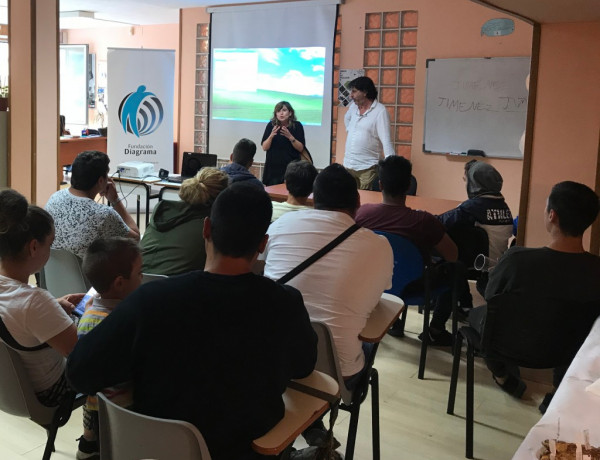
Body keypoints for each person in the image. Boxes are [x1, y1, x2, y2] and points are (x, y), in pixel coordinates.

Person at [66, 182, 317, 460]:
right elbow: (304, 367)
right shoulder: (286, 303)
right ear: (262, 244)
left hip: (157, 450)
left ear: (206, 229)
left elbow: (80, 373)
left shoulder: (150, 301)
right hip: (249, 449)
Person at [261, 163, 393, 387]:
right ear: (358, 202)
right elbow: (377, 297)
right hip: (337, 372)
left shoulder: (279, 226)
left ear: (314, 198)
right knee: (367, 343)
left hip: (274, 356)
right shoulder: (379, 246)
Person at [474, 181, 600, 408]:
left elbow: (492, 295)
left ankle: (502, 376)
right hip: (570, 351)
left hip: (510, 346)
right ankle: (559, 391)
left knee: (484, 316)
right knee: (572, 322)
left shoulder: (517, 259)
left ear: (552, 215)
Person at [355, 156, 459, 344]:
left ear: (380, 184)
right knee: (455, 270)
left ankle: (393, 321)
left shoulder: (362, 214)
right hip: (414, 287)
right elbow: (453, 255)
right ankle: (435, 329)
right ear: (408, 185)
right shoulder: (424, 221)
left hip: (372, 283)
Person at [0, 189, 82, 408]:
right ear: (34, 247)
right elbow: (82, 354)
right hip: (51, 391)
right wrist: (95, 312)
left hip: (12, 391)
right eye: (50, 243)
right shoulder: (34, 301)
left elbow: (13, 318)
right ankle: (93, 435)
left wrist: (52, 309)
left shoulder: (23, 299)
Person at [76, 237, 143, 460]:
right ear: (120, 283)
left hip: (94, 400)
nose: (143, 278)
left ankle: (88, 444)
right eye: (139, 273)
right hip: (123, 405)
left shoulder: (89, 310)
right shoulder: (120, 323)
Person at [46, 150, 140, 259]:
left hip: (53, 274)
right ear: (101, 181)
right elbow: (135, 239)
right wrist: (115, 200)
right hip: (86, 275)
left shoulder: (54, 198)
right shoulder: (103, 214)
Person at [141, 167, 229, 275]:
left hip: (136, 283)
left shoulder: (162, 210)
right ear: (222, 198)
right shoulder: (210, 227)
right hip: (174, 288)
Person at [438, 160, 513, 262]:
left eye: (466, 181)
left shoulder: (471, 208)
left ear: (474, 183)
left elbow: (439, 222)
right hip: (500, 265)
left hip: (481, 267)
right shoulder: (504, 207)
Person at [343, 76, 394, 190]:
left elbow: (386, 141)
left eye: (354, 91)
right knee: (348, 202)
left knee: (364, 203)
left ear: (365, 92)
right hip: (349, 165)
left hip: (367, 168)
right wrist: (350, 130)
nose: (351, 95)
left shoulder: (380, 111)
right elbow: (346, 118)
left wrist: (391, 169)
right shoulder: (353, 108)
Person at [261, 101, 305, 186]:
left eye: (284, 110)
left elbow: (300, 148)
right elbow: (264, 147)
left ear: (290, 113)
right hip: (273, 169)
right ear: (275, 114)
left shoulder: (297, 126)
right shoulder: (271, 125)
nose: (281, 113)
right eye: (278, 111)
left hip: (291, 169)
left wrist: (290, 137)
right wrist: (271, 136)